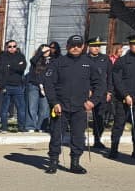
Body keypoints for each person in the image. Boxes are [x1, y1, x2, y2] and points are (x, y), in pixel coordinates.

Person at [42, 35, 104, 174]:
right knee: (56, 135)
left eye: (78, 45)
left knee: (78, 136)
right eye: (72, 45)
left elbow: (99, 84)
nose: (75, 48)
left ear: (83, 47)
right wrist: (54, 102)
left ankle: (75, 163)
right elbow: (49, 84)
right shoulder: (58, 63)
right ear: (67, 46)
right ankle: (53, 162)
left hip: (80, 107)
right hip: (60, 106)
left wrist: (92, 101)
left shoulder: (89, 64)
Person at [83, 37, 113, 149]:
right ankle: (79, 139)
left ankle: (97, 139)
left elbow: (110, 76)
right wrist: (87, 89)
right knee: (82, 116)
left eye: (98, 46)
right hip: (87, 92)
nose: (96, 48)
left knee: (99, 117)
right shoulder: (83, 58)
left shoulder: (105, 59)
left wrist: (110, 91)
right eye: (94, 46)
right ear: (89, 47)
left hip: (102, 92)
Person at [0, 39, 27, 132]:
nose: (12, 48)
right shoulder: (2, 56)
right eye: (10, 46)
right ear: (7, 47)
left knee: (21, 108)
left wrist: (10, 66)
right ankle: (4, 127)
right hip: (6, 85)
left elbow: (22, 68)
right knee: (4, 109)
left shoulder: (21, 56)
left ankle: (21, 127)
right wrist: (16, 66)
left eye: (14, 46)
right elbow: (3, 69)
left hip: (18, 86)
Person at [24, 44, 53, 132]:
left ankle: (41, 126)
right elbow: (32, 60)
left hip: (46, 86)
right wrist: (41, 52)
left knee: (44, 108)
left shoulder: (52, 61)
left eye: (48, 50)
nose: (46, 52)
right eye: (44, 51)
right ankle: (30, 126)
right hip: (34, 85)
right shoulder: (36, 60)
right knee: (32, 106)